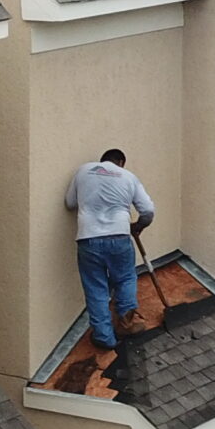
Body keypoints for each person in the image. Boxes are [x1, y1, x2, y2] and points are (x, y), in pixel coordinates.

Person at [65, 148, 157, 354]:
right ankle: (126, 324)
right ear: (121, 162)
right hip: (119, 236)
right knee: (125, 279)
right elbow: (148, 210)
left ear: (103, 160)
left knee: (96, 288)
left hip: (88, 238)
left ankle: (103, 337)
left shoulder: (83, 170)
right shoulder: (128, 177)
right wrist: (139, 225)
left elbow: (69, 203)